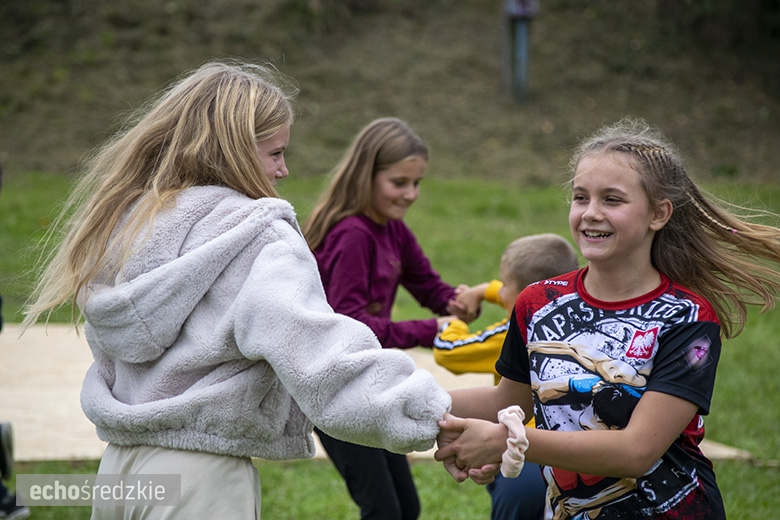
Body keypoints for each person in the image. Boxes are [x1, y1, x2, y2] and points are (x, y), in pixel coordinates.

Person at [21, 61, 452, 519]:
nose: (283, 170)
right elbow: (322, 361)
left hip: (120, 472)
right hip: (202, 482)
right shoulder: (258, 238)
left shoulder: (130, 222)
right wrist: (433, 415)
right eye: (275, 153)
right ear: (234, 150)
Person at [435, 118, 780, 519]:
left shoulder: (689, 320)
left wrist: (509, 441)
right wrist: (403, 399)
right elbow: (506, 400)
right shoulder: (537, 301)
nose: (590, 213)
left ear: (659, 214)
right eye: (581, 198)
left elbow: (636, 451)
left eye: (612, 200)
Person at [301, 117, 472, 520]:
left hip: (366, 381)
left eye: (417, 183)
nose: (411, 194)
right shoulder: (352, 234)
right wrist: (428, 331)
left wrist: (456, 301)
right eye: (399, 182)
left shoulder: (391, 229)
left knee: (404, 509)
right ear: (366, 177)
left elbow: (428, 286)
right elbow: (350, 325)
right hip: (331, 388)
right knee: (383, 510)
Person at [433, 233, 578, 520]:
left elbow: (448, 353)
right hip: (572, 447)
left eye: (504, 286)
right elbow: (523, 293)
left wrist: (454, 324)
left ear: (525, 293)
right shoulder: (570, 317)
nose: (499, 294)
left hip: (521, 450)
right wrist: (483, 291)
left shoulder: (509, 333)